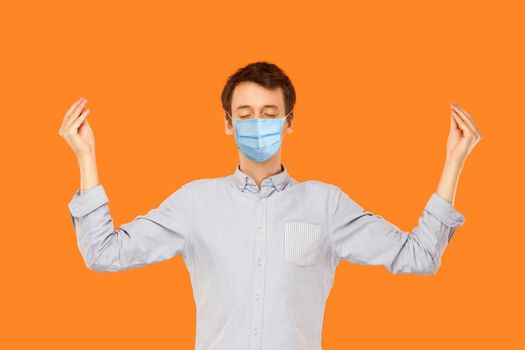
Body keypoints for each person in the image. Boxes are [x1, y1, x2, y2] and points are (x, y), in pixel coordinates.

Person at [58, 61, 482, 350]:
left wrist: (454, 162)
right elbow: (104, 253)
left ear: (289, 121)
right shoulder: (195, 203)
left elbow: (419, 256)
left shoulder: (325, 204)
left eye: (268, 112)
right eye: (244, 113)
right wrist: (85, 157)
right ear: (228, 123)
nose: (256, 122)